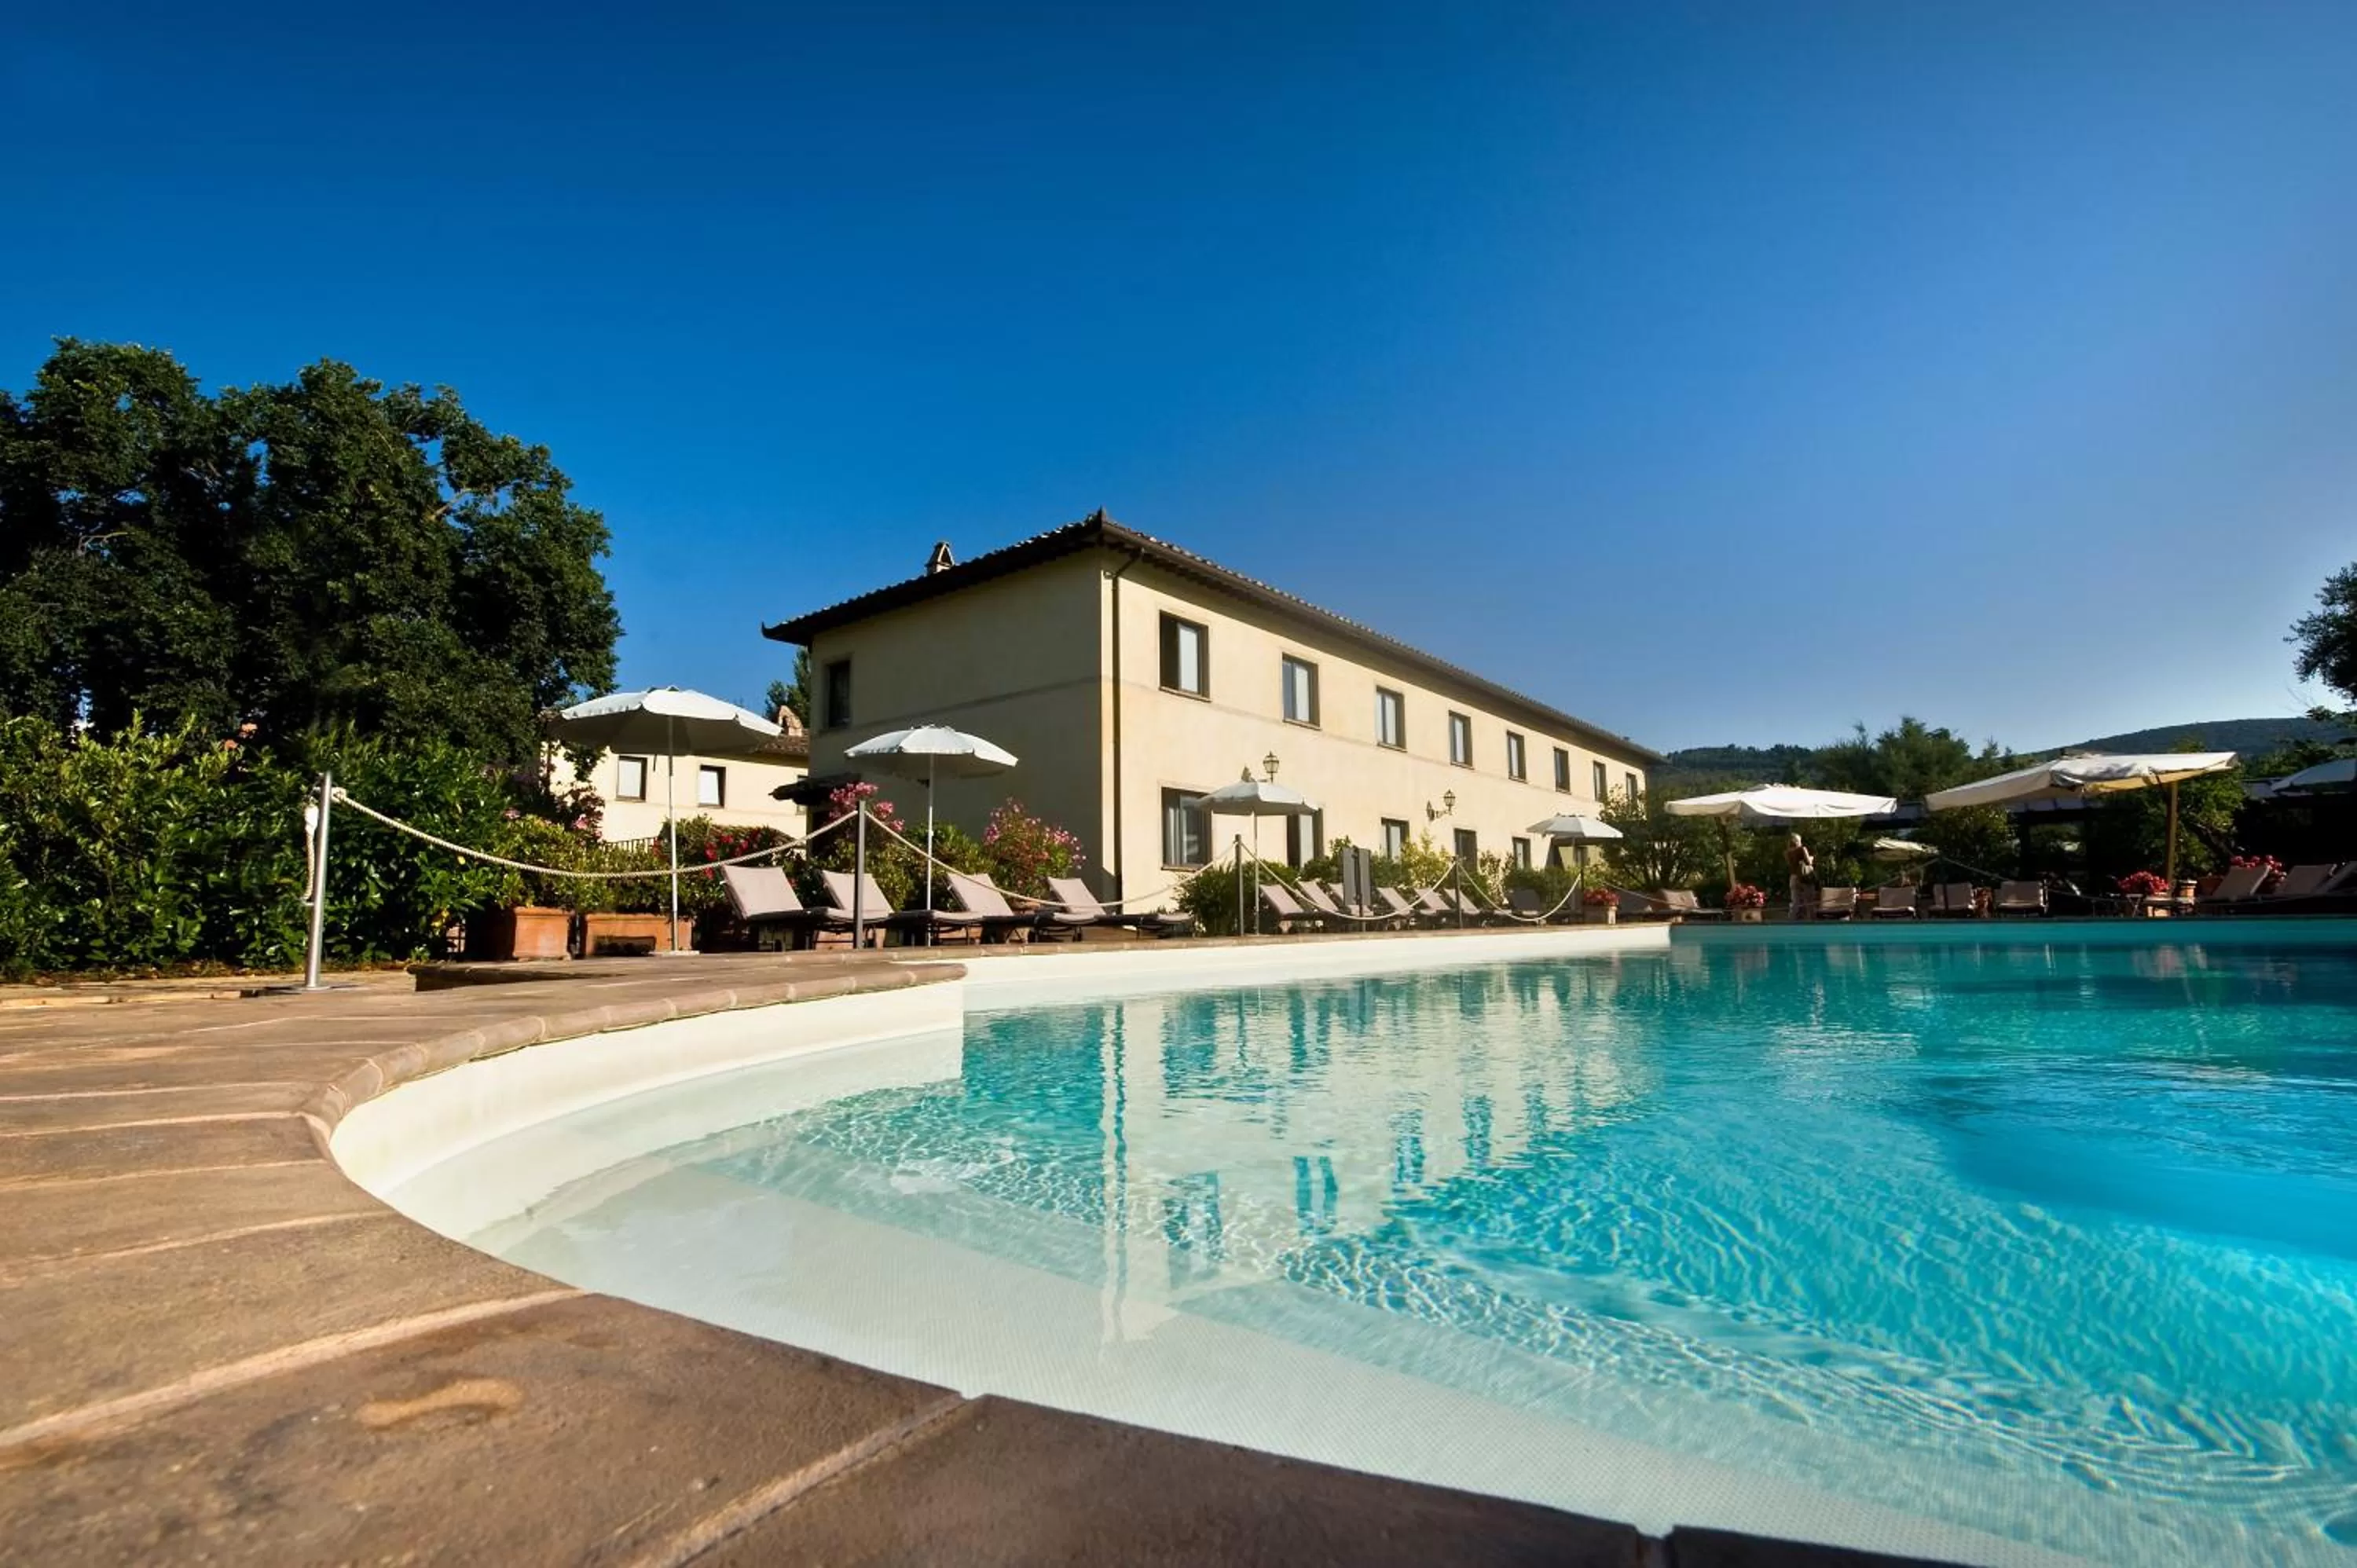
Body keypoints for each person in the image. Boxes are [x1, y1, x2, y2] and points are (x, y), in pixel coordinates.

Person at [1786, 832, 1815, 920]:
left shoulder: (1787, 852)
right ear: (1797, 841)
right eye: (1800, 841)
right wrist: (1812, 858)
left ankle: (1791, 920)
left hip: (1793, 878)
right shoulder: (1802, 849)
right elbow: (1808, 862)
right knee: (1809, 902)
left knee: (1795, 903)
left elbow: (1791, 864)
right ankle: (1812, 922)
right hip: (1805, 877)